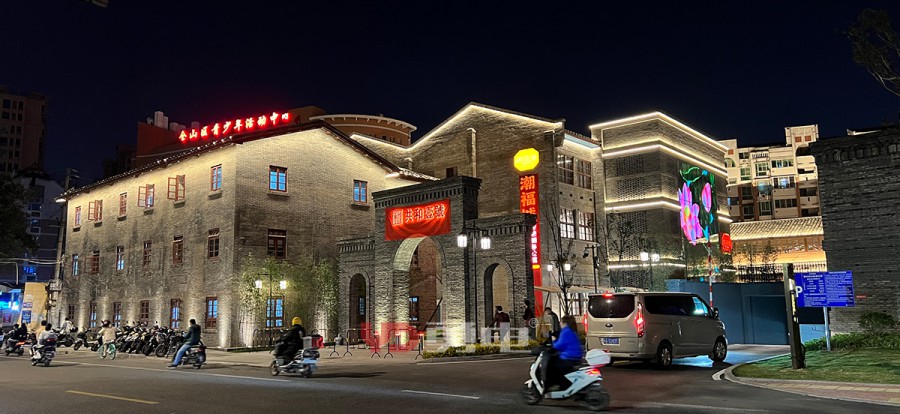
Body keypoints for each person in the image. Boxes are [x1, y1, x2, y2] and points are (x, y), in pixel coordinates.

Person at [543, 314, 584, 390]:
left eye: (561, 322)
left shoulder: (566, 331)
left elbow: (560, 345)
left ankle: (556, 385)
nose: (560, 324)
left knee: (552, 367)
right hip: (575, 356)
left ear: (565, 323)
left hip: (569, 357)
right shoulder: (572, 330)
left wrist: (553, 341)